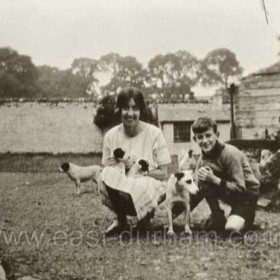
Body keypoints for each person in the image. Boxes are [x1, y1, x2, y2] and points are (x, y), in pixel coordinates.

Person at [98, 87, 171, 235]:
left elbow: (164, 173)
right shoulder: (110, 136)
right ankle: (121, 220)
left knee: (141, 184)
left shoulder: (154, 133)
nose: (130, 113)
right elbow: (107, 170)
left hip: (148, 185)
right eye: (126, 108)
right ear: (118, 109)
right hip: (122, 186)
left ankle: (144, 219)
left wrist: (142, 172)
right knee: (106, 174)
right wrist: (122, 166)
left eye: (135, 108)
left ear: (141, 111)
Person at [191, 117, 260, 233]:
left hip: (246, 196)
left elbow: (240, 188)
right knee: (202, 178)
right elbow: (197, 187)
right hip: (229, 193)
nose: (204, 140)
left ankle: (248, 216)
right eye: (200, 137)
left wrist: (214, 179)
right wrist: (176, 208)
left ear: (216, 135)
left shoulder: (230, 153)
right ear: (195, 139)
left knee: (231, 228)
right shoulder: (203, 156)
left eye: (208, 135)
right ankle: (217, 216)